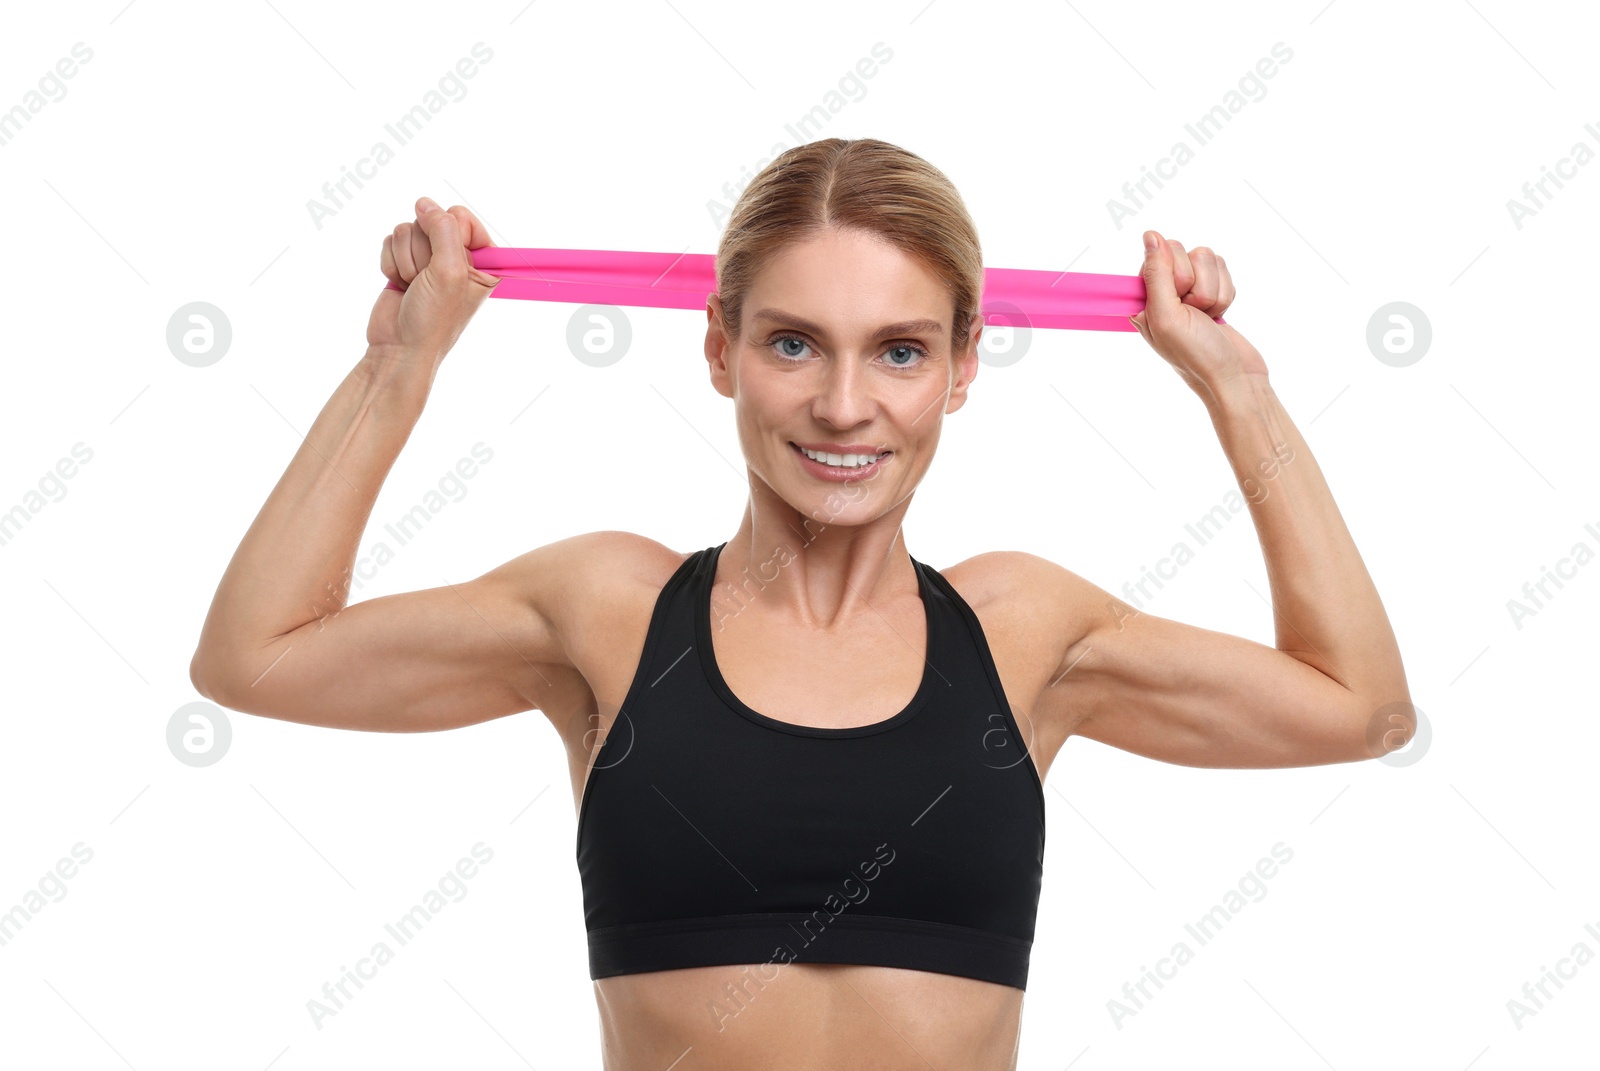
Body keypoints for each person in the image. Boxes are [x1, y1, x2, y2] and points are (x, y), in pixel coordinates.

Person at [189, 137, 1413, 1071]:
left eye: (897, 350)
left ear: (962, 368)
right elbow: (254, 659)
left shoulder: (1019, 630)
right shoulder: (610, 613)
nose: (841, 405)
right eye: (790, 345)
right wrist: (398, 368)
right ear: (718, 349)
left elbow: (1360, 710)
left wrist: (1236, 393)